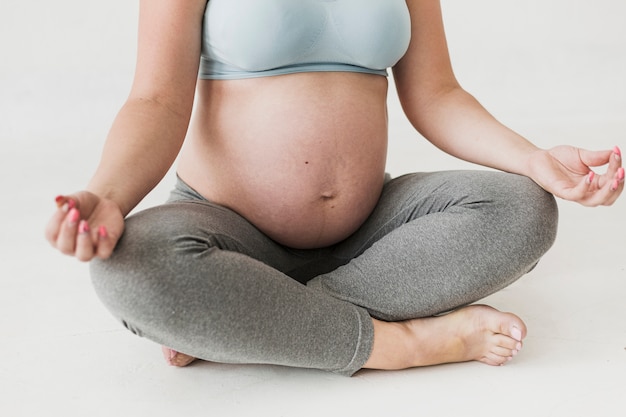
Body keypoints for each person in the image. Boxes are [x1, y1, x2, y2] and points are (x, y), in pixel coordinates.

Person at [45, 0, 623, 376]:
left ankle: (253, 324)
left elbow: (437, 95)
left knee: (523, 207)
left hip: (368, 226)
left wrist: (533, 158)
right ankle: (404, 344)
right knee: (131, 267)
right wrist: (110, 196)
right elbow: (156, 102)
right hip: (225, 225)